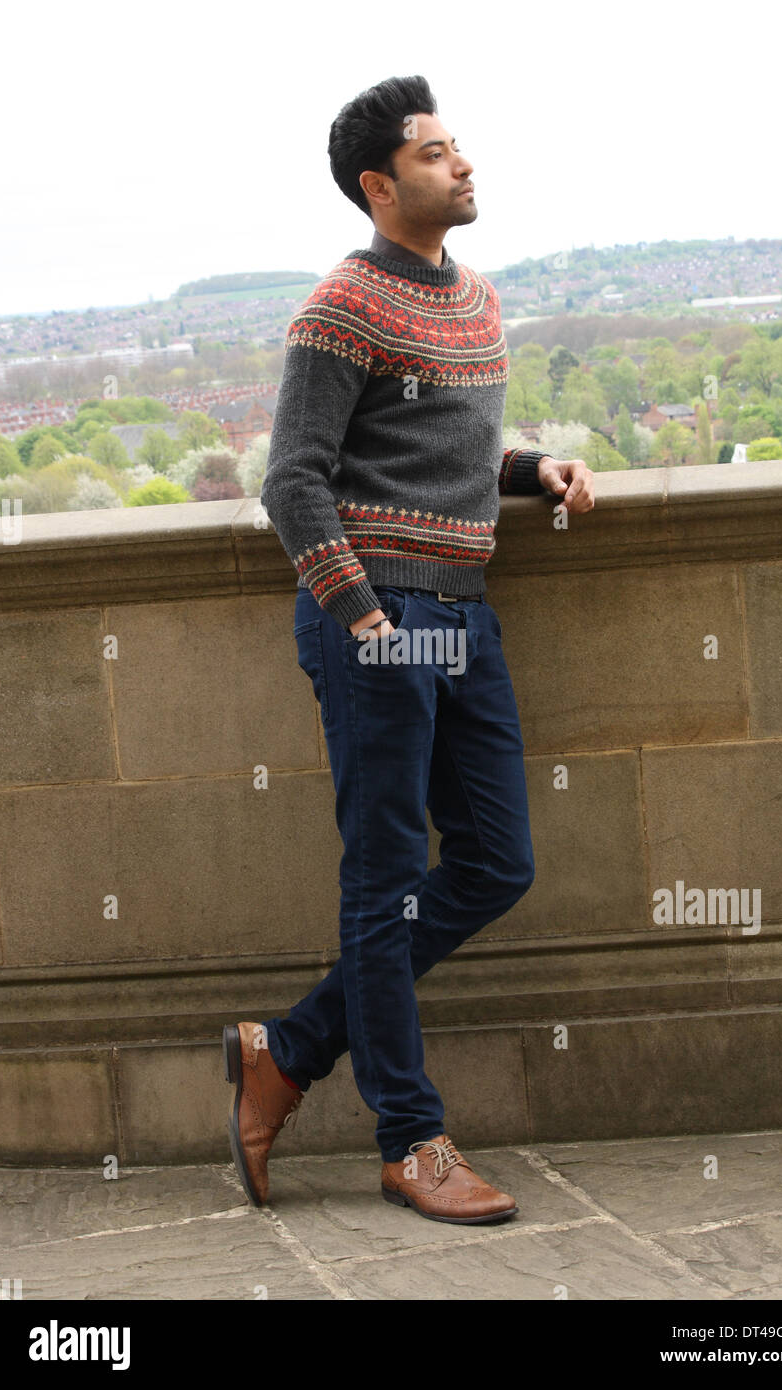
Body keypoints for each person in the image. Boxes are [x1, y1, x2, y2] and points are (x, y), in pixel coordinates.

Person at [224, 74, 594, 1225]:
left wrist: (534, 473)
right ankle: (409, 1139)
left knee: (495, 860)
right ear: (380, 187)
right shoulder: (339, 307)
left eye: (457, 147)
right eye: (436, 155)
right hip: (377, 617)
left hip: (464, 610)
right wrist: (362, 619)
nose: (463, 164)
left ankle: (285, 1048)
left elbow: (437, 452)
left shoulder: (475, 302)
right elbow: (295, 479)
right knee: (382, 882)